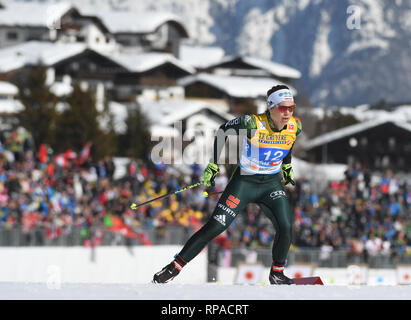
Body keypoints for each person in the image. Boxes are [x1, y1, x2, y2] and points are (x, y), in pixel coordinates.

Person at [153, 85, 302, 285]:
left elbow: (288, 142)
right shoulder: (252, 123)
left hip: (271, 185)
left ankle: (277, 273)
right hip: (245, 182)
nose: (288, 113)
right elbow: (223, 130)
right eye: (283, 108)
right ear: (271, 107)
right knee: (215, 227)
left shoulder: (295, 126)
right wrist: (214, 164)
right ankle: (174, 267)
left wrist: (287, 165)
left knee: (286, 226)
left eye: (291, 108)